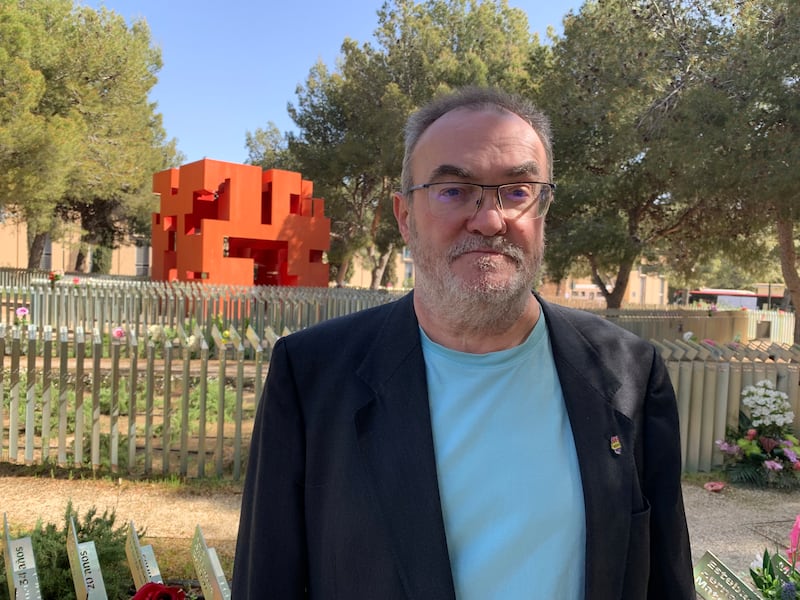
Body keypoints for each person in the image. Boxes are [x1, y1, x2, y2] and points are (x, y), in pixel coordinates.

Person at [232, 86, 695, 599]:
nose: (490, 219)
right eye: (453, 190)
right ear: (404, 216)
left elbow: (666, 578)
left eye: (518, 190)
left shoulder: (629, 372)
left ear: (543, 210)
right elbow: (266, 582)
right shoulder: (312, 376)